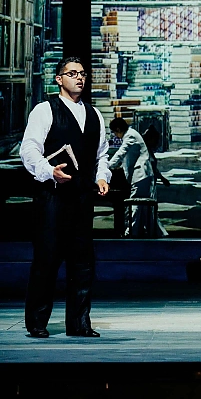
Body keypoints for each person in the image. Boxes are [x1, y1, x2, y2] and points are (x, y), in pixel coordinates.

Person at [19, 57, 111, 338]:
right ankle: (37, 321)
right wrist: (49, 171)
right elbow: (29, 149)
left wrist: (102, 177)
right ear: (59, 79)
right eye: (72, 74)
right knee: (47, 259)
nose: (79, 78)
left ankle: (79, 323)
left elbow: (102, 155)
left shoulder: (95, 115)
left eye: (82, 74)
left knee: (83, 262)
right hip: (52, 196)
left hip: (82, 197)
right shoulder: (45, 110)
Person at [108, 117, 162, 238]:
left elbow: (121, 153)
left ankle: (132, 232)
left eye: (115, 132)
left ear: (118, 129)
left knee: (136, 204)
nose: (115, 135)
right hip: (141, 175)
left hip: (140, 175)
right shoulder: (131, 134)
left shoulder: (130, 136)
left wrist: (108, 166)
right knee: (141, 206)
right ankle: (142, 230)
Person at [142, 125, 170, 238]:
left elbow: (154, 168)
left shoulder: (148, 151)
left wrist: (162, 179)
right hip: (146, 182)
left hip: (151, 182)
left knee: (151, 207)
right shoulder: (144, 152)